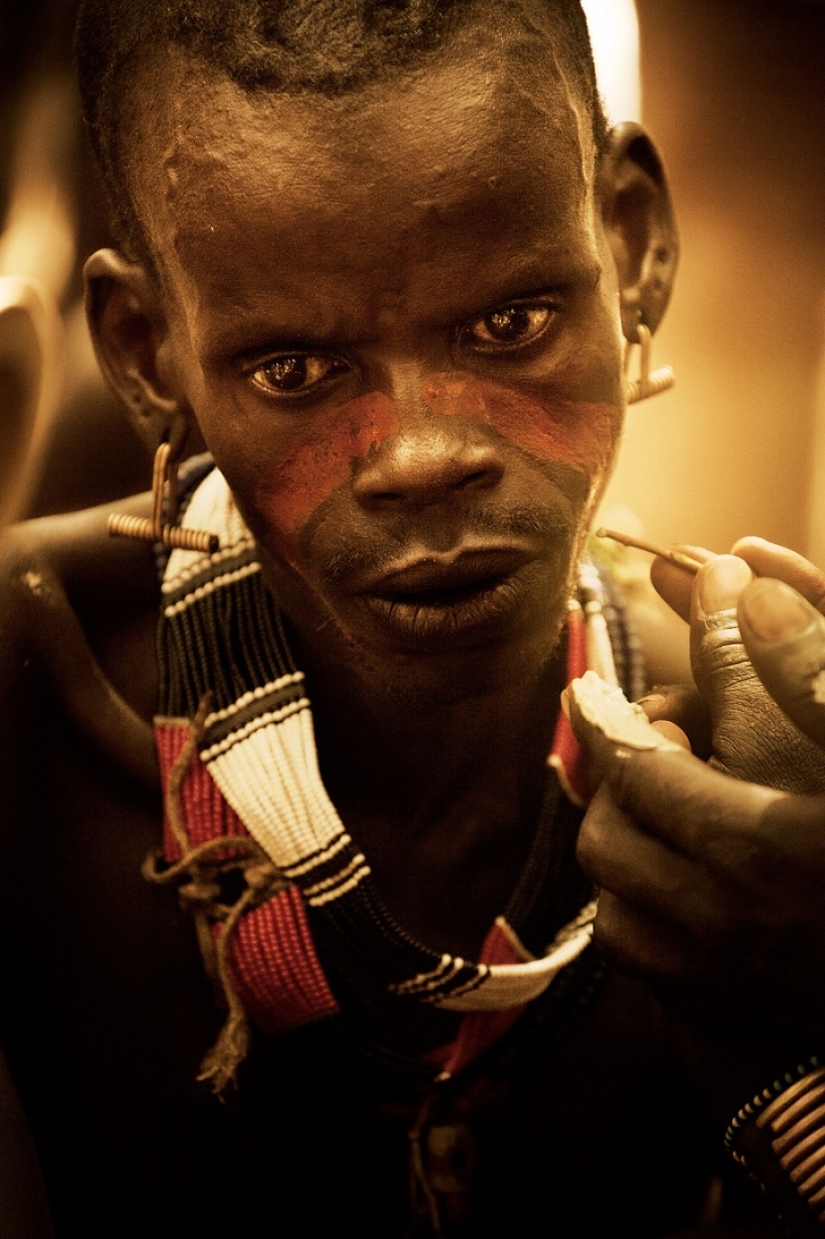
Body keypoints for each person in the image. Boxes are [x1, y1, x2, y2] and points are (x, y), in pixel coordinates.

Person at [0, 1, 820, 1234]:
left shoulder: (761, 796)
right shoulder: (24, 701)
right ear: (149, 353)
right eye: (294, 370)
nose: (425, 455)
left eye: (510, 323)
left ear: (632, 246)